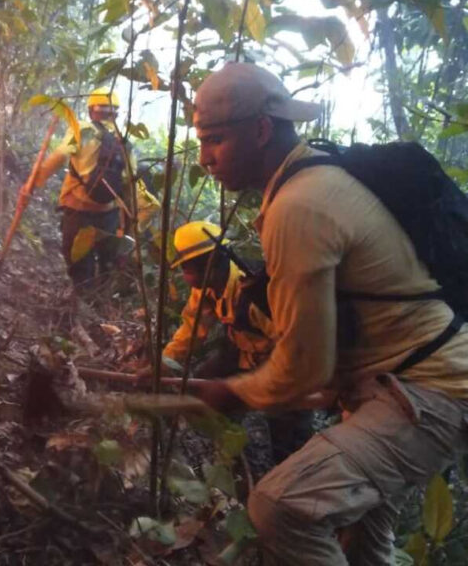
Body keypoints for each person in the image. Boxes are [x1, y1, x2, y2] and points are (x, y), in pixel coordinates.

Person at [189, 62, 468, 564]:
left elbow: (304, 368)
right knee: (360, 541)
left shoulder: (300, 204)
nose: (205, 158)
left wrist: (235, 392)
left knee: (280, 506)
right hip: (404, 387)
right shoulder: (313, 178)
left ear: (260, 129)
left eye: (215, 140)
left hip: (432, 392)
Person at [162, 220, 313, 467]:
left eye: (186, 269)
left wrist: (257, 386)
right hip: (241, 352)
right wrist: (165, 362)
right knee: (202, 388)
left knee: (287, 433)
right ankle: (232, 453)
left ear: (208, 266)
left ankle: (294, 476)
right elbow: (192, 328)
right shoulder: (207, 287)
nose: (184, 276)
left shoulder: (255, 294)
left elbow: (295, 347)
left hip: (283, 362)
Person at [24, 87, 159, 291]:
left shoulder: (82, 130)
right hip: (110, 216)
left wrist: (31, 185)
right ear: (116, 114)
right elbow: (130, 186)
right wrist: (132, 226)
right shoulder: (124, 144)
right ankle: (101, 308)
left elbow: (60, 156)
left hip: (79, 214)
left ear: (91, 111)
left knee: (79, 268)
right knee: (106, 267)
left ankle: (83, 306)